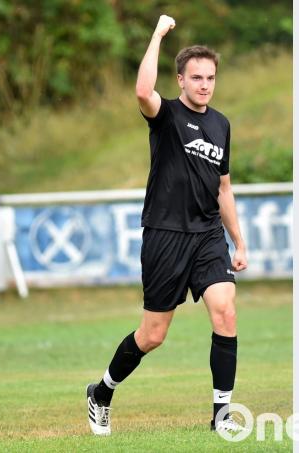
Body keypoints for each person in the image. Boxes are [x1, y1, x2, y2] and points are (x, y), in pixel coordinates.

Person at [85, 15, 248, 436]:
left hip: (208, 235)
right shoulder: (167, 116)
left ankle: (221, 414)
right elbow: (142, 90)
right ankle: (101, 392)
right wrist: (158, 34)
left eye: (210, 77)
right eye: (196, 77)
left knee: (226, 312)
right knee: (153, 334)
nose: (205, 85)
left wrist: (238, 241)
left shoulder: (221, 124)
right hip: (165, 235)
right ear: (180, 80)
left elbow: (224, 188)